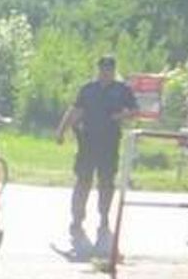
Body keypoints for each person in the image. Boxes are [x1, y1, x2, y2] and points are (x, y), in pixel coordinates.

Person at [56, 55, 138, 238]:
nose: (105, 73)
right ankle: (77, 218)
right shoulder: (88, 89)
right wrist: (62, 130)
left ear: (114, 70)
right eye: (102, 69)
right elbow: (76, 110)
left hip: (109, 142)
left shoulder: (122, 89)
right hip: (87, 141)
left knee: (106, 182)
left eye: (109, 69)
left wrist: (120, 116)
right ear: (98, 70)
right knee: (83, 180)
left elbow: (134, 110)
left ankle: (104, 216)